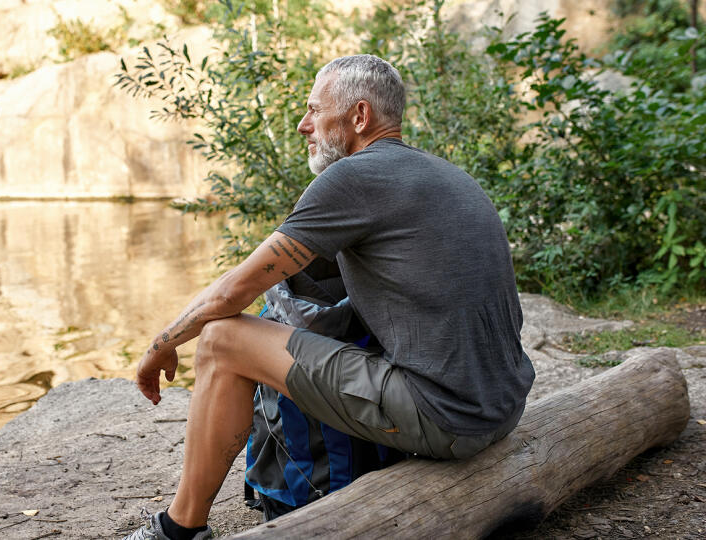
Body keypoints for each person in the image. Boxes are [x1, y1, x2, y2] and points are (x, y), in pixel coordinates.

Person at [123, 54, 535, 540]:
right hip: (504, 406)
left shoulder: (351, 179)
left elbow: (233, 290)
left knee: (220, 340)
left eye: (314, 111)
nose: (303, 125)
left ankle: (179, 528)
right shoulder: (445, 175)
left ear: (359, 117)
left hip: (447, 420)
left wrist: (161, 344)